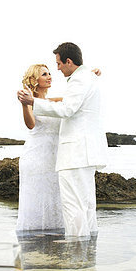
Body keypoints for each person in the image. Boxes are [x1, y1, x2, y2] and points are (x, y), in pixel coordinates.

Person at [17, 42, 108, 238]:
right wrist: (89, 73)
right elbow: (35, 121)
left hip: (74, 154)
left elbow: (67, 108)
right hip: (70, 154)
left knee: (73, 205)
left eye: (58, 64)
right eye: (46, 73)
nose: (55, 70)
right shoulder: (84, 79)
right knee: (84, 204)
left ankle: (76, 250)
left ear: (68, 61)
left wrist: (33, 101)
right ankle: (86, 251)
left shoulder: (78, 81)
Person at [16, 64, 65, 233]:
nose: (50, 76)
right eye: (44, 74)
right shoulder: (29, 101)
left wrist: (90, 76)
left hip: (56, 157)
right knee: (37, 197)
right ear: (35, 80)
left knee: (56, 196)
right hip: (36, 156)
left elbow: (77, 98)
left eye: (50, 73)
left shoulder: (56, 101)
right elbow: (31, 124)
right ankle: (33, 241)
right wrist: (24, 104)